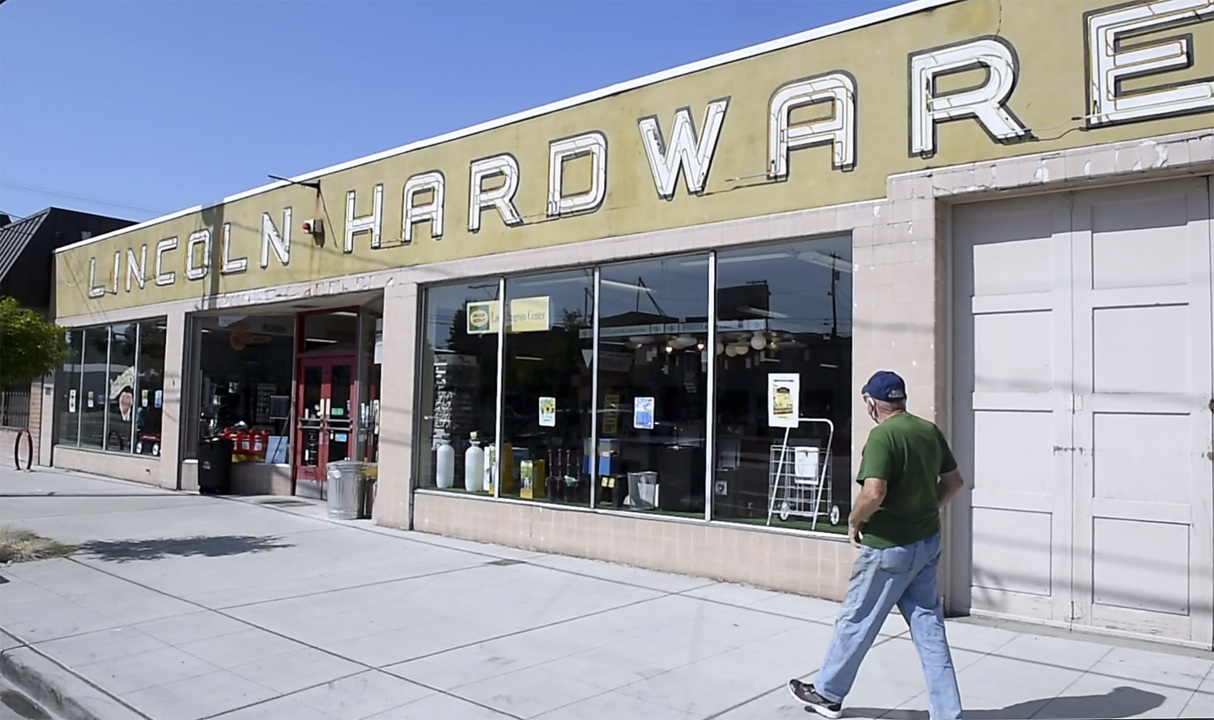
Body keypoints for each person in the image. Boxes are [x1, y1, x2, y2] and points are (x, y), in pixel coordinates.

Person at [789, 370, 966, 720]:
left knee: (857, 620)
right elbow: (954, 482)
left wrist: (854, 521)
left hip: (887, 547)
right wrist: (929, 507)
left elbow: (874, 491)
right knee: (929, 629)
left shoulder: (883, 437)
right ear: (901, 400)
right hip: (927, 541)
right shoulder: (927, 430)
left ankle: (827, 694)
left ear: (872, 403)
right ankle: (948, 713)